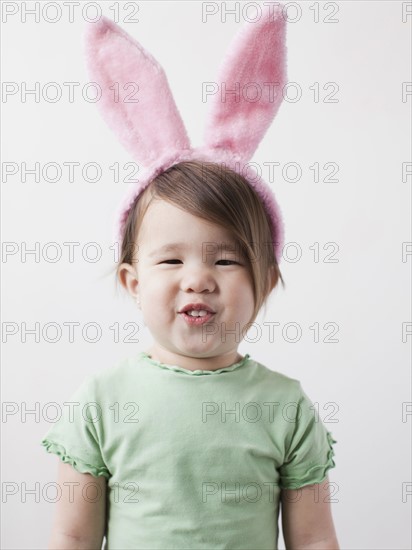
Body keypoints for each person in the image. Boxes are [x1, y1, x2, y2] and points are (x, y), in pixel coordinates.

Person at [41, 5, 339, 549]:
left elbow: (315, 539)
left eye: (225, 261)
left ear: (266, 282)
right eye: (172, 261)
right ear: (133, 282)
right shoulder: (102, 402)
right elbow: (72, 539)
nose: (198, 279)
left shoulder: (285, 406)